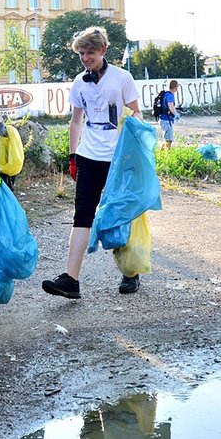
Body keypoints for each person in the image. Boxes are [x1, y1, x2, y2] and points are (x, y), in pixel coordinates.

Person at [41, 26, 143, 299]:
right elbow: (76, 120)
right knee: (82, 215)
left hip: (118, 159)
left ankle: (130, 272)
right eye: (82, 54)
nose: (85, 58)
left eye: (90, 53)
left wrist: (135, 150)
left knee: (122, 214)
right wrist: (73, 156)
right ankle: (71, 280)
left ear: (103, 51)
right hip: (88, 157)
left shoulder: (122, 78)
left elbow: (136, 113)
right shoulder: (79, 81)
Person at [157, 79, 179, 150]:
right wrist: (176, 114)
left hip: (163, 120)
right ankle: (167, 156)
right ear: (175, 87)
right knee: (169, 140)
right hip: (166, 120)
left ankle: (161, 155)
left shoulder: (166, 94)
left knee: (167, 140)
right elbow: (170, 106)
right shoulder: (170, 95)